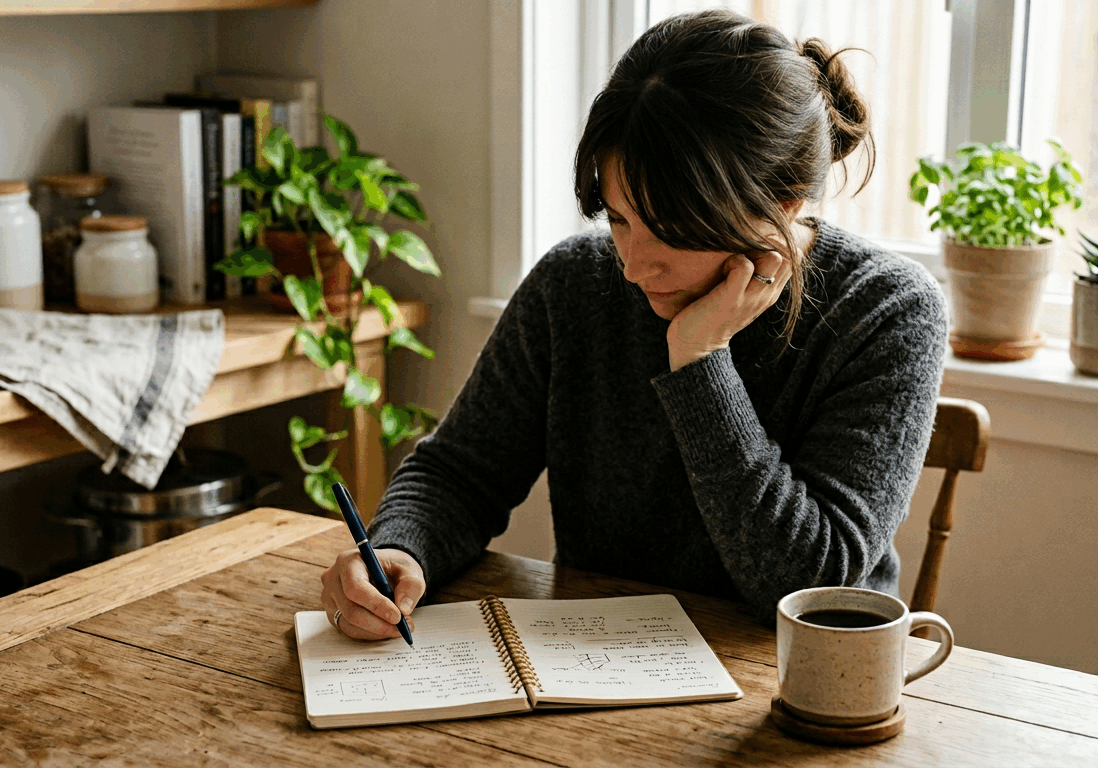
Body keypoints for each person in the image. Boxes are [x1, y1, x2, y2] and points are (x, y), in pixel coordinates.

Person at [321, 8, 948, 640]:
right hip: (594, 677)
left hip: (797, 691)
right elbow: (459, 474)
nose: (632, 264)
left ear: (780, 206)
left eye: (672, 231)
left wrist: (701, 358)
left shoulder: (887, 311)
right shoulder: (574, 282)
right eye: (619, 219)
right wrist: (401, 549)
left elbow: (812, 586)